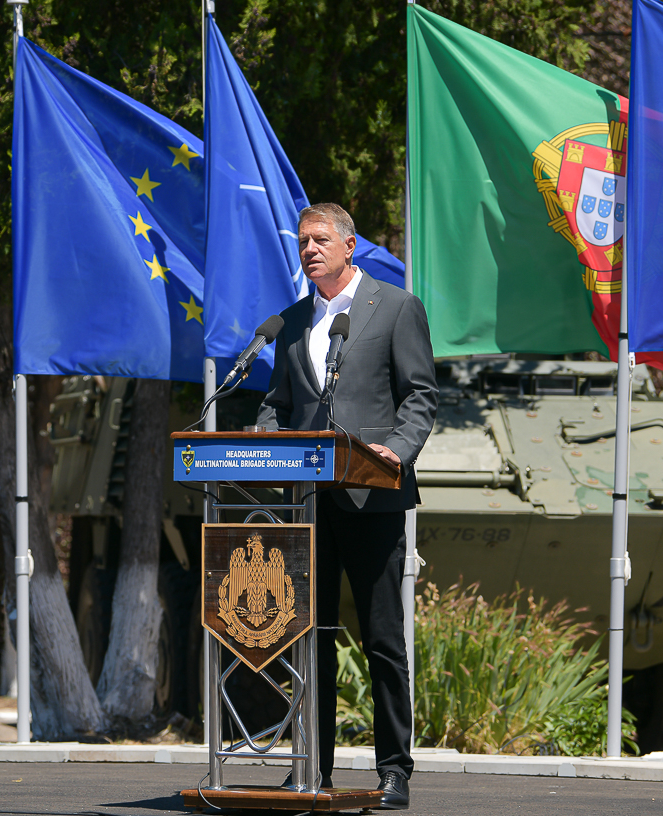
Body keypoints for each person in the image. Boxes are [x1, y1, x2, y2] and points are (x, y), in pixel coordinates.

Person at [257, 203, 437, 809]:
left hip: (372, 493)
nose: (310, 248)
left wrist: (398, 450)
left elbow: (419, 396)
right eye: (303, 241)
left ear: (349, 245)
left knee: (383, 638)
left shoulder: (394, 307)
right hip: (308, 505)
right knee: (309, 638)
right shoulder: (290, 323)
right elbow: (277, 405)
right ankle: (312, 766)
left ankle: (394, 771)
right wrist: (261, 434)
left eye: (321, 239)